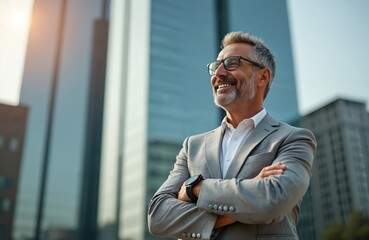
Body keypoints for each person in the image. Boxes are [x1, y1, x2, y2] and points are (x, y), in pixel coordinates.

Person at [148, 31, 316, 240]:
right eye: (216, 65)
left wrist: (195, 188)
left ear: (262, 77)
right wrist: (223, 217)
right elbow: (158, 216)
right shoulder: (193, 146)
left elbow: (272, 200)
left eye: (231, 63)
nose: (218, 72)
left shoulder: (293, 138)